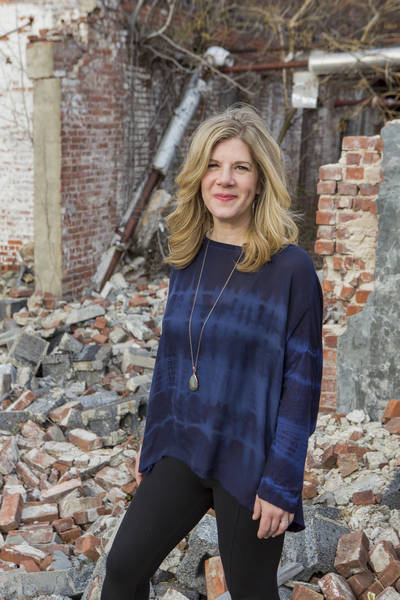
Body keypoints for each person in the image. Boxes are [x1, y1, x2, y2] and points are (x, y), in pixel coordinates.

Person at [101, 104, 323, 600]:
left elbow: (302, 385)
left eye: (240, 167)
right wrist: (150, 439)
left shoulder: (291, 270)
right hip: (182, 442)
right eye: (213, 165)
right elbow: (171, 360)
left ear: (260, 181)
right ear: (199, 176)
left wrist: (282, 480)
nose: (224, 180)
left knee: (250, 591)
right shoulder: (188, 256)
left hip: (251, 454)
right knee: (121, 571)